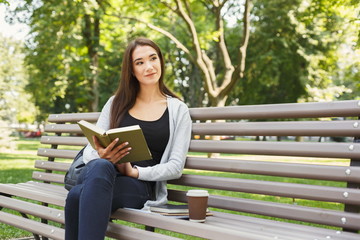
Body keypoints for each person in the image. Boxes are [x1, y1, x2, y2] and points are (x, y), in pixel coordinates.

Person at [65, 37, 192, 240]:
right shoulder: (115, 103)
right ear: (131, 70)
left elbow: (176, 166)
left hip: (137, 185)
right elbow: (90, 149)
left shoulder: (178, 110)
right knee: (101, 166)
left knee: (76, 196)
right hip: (98, 173)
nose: (149, 66)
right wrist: (102, 154)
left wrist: (135, 172)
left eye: (153, 58)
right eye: (139, 62)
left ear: (160, 61)